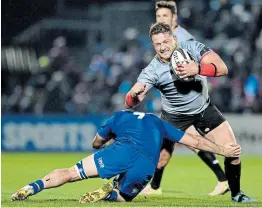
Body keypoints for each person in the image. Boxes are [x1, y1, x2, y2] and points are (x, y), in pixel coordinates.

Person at [125, 22, 256, 203]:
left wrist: (198, 69)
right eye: (157, 44)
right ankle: (125, 189)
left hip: (204, 110)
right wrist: (133, 96)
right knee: (159, 160)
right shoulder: (152, 70)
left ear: (174, 39)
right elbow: (130, 101)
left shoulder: (192, 47)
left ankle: (237, 194)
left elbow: (223, 68)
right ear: (153, 46)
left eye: (166, 42)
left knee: (232, 151)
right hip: (173, 118)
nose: (163, 47)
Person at [11, 110, 240, 203]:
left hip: (120, 151)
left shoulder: (118, 117)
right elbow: (196, 141)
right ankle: (110, 193)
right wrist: (225, 151)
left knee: (71, 173)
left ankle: (32, 187)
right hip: (147, 164)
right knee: (124, 198)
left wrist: (109, 140)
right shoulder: (159, 122)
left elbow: (96, 143)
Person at [141, 0, 228, 196]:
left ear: (174, 18)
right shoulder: (163, 37)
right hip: (173, 102)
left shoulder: (183, 39)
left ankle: (223, 179)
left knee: (189, 141)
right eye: (158, 17)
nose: (161, 19)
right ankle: (155, 186)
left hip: (188, 100)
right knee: (167, 144)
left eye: (165, 16)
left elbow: (197, 68)